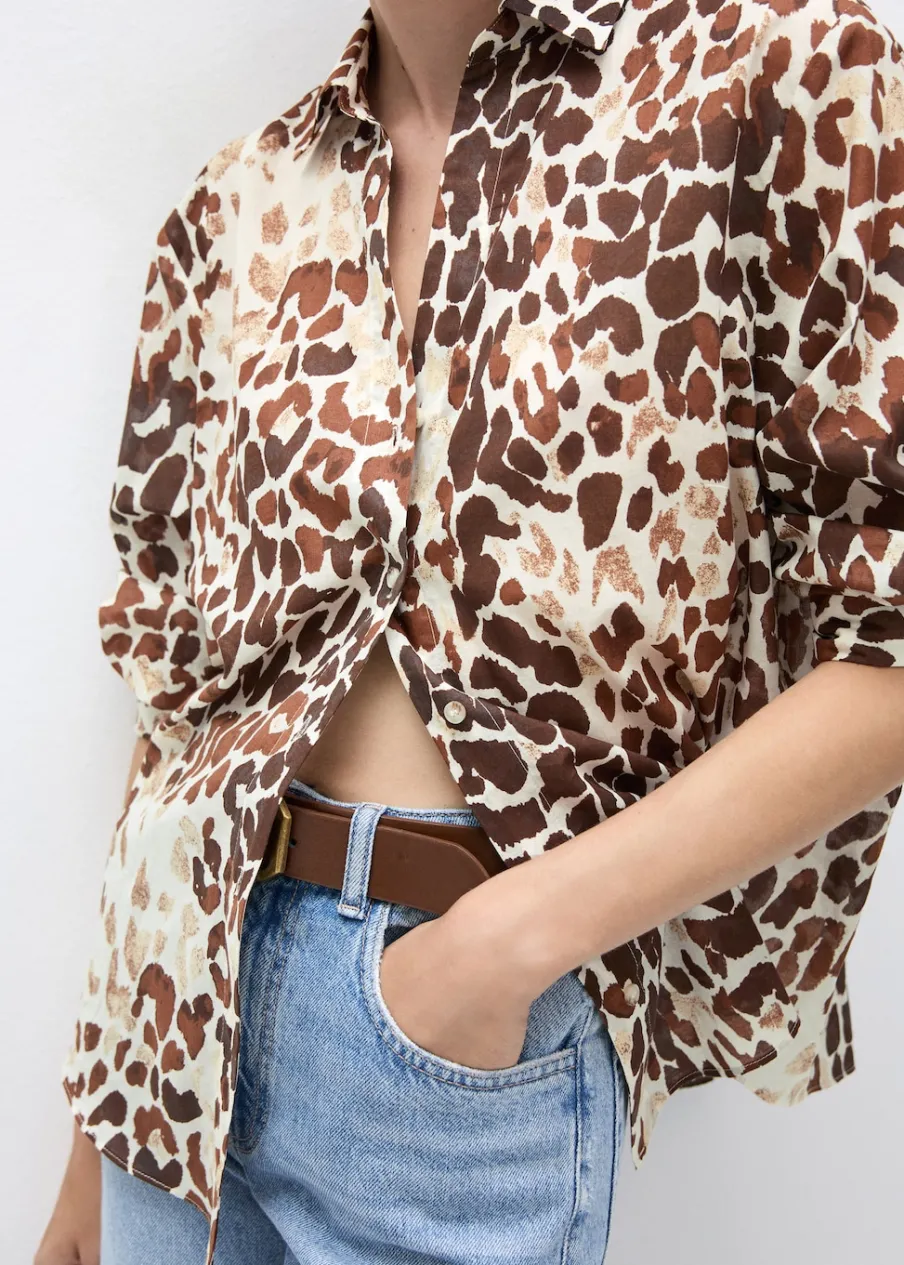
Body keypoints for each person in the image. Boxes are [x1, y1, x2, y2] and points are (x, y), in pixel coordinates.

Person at [35, 0, 904, 1261]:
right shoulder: (237, 203)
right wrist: (93, 1127)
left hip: (454, 1045)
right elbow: (180, 686)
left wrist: (510, 940)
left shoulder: (767, 70)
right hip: (172, 1024)